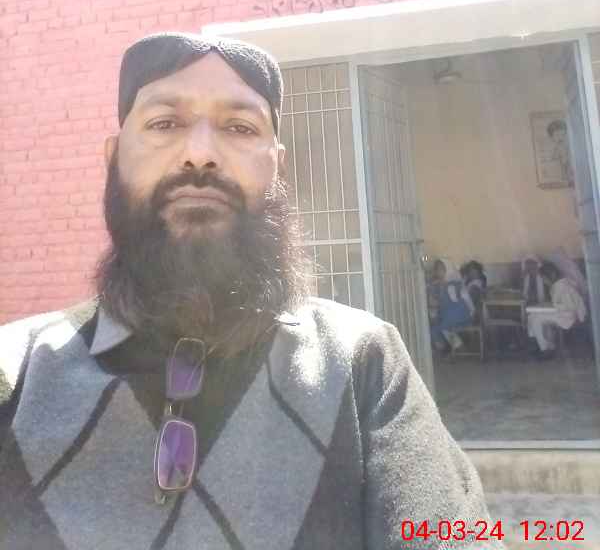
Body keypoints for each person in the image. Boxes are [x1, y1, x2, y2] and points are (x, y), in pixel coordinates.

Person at [0, 32, 503, 549]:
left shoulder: (363, 363)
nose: (200, 155)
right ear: (113, 158)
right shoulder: (15, 373)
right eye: (165, 123)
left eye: (239, 127)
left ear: (277, 167)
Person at [527, 260, 587, 358]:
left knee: (536, 319)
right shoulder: (558, 285)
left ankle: (545, 349)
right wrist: (551, 306)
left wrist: (552, 307)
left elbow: (570, 307)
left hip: (568, 317)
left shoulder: (562, 286)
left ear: (550, 276)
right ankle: (544, 345)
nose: (544, 281)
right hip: (563, 314)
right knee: (532, 316)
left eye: (544, 278)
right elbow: (560, 303)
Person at [430, 258, 475, 352]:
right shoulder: (437, 286)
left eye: (441, 269)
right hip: (449, 316)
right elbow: (436, 303)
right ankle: (456, 347)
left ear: (448, 270)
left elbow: (464, 303)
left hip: (460, 315)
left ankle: (451, 348)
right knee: (437, 327)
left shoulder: (454, 285)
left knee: (437, 328)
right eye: (437, 269)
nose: (438, 272)